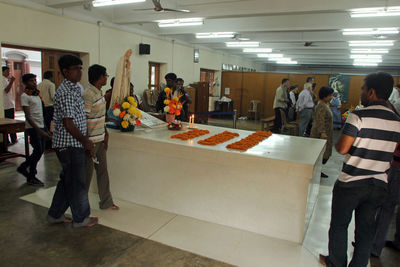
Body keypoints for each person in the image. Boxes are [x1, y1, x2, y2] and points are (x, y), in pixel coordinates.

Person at [319, 72, 400, 267]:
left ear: (371, 92)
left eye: (363, 89)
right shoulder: (397, 120)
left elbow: (342, 148)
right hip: (379, 184)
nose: (361, 93)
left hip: (351, 182)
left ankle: (336, 262)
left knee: (339, 224)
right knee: (365, 229)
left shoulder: (359, 115)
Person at [47, 54, 98, 227]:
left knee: (67, 182)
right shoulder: (67, 92)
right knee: (77, 183)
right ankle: (81, 219)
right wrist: (86, 141)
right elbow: (68, 123)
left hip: (73, 143)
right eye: (76, 69)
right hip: (69, 145)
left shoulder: (75, 88)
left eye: (80, 68)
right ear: (65, 71)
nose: (80, 72)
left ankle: (55, 215)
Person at [82, 64, 119, 211]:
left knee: (103, 172)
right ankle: (81, 208)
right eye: (105, 75)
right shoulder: (88, 94)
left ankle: (106, 202)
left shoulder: (99, 93)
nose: (106, 78)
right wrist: (87, 143)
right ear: (100, 77)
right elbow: (83, 120)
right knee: (86, 177)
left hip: (100, 140)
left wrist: (105, 133)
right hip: (90, 142)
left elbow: (100, 117)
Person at [16, 73, 51, 186]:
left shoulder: (37, 95)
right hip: (33, 127)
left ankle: (25, 169)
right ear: (25, 83)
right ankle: (30, 174)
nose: (34, 82)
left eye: (35, 80)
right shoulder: (25, 96)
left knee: (40, 151)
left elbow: (41, 113)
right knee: (38, 150)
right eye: (31, 81)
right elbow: (28, 116)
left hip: (41, 125)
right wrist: (40, 131)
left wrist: (46, 128)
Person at [310, 86, 334, 178]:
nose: (331, 97)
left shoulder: (325, 104)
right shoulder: (321, 106)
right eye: (330, 95)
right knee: (320, 154)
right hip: (320, 134)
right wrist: (322, 132)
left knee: (323, 154)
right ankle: (316, 171)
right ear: (324, 96)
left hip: (325, 133)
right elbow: (320, 120)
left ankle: (318, 170)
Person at [2, 66, 17, 144]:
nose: (9, 73)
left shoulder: (5, 79)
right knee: (10, 123)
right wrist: (11, 81)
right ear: (3, 72)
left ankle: (12, 139)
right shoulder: (2, 79)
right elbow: (6, 90)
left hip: (9, 104)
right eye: (7, 71)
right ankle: (11, 139)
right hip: (7, 105)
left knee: (11, 123)